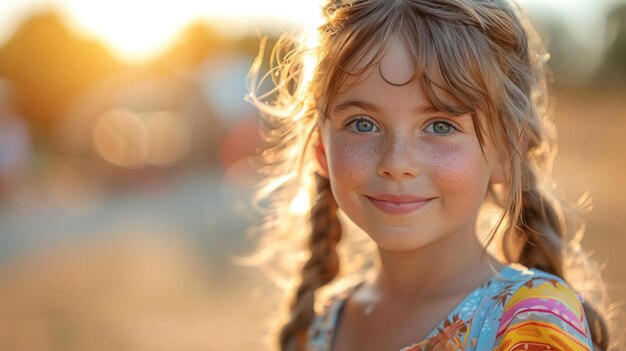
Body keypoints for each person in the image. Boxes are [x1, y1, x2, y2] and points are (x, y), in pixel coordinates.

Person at [246, 0, 613, 350]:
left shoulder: (529, 324)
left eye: (439, 126)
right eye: (362, 124)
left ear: (506, 153)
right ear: (322, 151)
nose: (397, 162)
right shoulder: (319, 326)